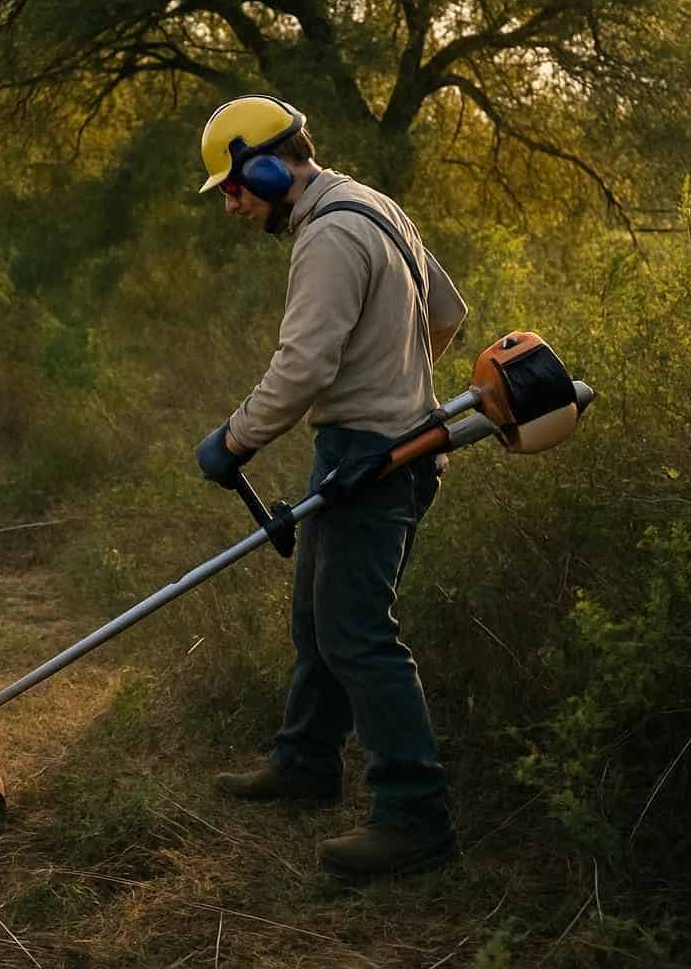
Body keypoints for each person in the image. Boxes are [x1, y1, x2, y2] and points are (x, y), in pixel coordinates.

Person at [193, 95, 469, 881]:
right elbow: (447, 315)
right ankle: (306, 764)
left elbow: (304, 367)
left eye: (236, 187)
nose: (233, 205)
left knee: (358, 635)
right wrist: (399, 385)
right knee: (319, 616)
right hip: (371, 443)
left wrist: (234, 440)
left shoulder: (330, 234)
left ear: (271, 166)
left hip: (374, 458)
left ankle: (416, 819)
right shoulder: (373, 205)